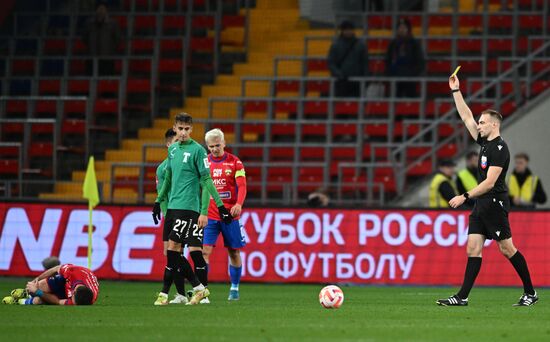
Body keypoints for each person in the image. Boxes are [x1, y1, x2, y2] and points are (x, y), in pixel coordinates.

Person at [437, 74, 538, 306]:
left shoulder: (500, 148)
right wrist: (456, 91)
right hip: (482, 204)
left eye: (482, 122)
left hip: (494, 203)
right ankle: (461, 297)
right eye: (479, 122)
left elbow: (490, 182)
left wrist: (464, 196)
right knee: (472, 247)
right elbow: (465, 117)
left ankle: (530, 292)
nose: (478, 125)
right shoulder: (484, 143)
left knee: (506, 248)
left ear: (494, 124)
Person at [152, 113, 233, 306]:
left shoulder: (197, 151)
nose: (183, 133)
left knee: (175, 250)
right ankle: (196, 290)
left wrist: (219, 206)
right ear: (175, 128)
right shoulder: (172, 151)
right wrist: (158, 200)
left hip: (189, 207)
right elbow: (169, 177)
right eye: (180, 129)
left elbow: (206, 180)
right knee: (174, 252)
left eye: (187, 129)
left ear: (192, 130)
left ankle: (172, 293)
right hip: (173, 206)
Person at [202, 129, 247, 301]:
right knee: (204, 252)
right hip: (210, 215)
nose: (214, 149)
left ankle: (234, 288)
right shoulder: (204, 163)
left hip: (230, 215)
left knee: (233, 252)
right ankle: (203, 290)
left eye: (217, 145)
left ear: (224, 143)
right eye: (211, 146)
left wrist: (238, 204)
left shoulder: (235, 163)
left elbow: (242, 186)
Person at [2, 264, 99, 305]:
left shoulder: (86, 299)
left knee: (38, 300)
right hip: (64, 281)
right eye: (71, 301)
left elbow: (57, 302)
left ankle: (19, 301)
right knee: (39, 285)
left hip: (72, 286)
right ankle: (26, 293)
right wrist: (36, 280)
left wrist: (38, 292)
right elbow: (55, 269)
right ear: (73, 293)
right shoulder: (71, 271)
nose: (71, 303)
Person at [327, 20, 369, 97]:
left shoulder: (361, 45)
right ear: (342, 31)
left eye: (350, 29)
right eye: (346, 29)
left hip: (357, 81)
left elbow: (365, 63)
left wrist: (365, 78)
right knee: (341, 105)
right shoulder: (335, 45)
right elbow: (331, 63)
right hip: (341, 81)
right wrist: (339, 74)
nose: (348, 31)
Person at [385, 18, 425, 97]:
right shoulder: (393, 44)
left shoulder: (414, 43)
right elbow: (388, 59)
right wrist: (390, 72)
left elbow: (419, 60)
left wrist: (413, 73)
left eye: (404, 28)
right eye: (400, 28)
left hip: (410, 77)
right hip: (396, 77)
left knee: (410, 100)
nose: (401, 30)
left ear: (408, 29)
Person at [82, 1, 121, 75]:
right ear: (96, 10)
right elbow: (85, 38)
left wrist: (110, 49)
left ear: (106, 11)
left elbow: (117, 39)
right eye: (99, 9)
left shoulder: (113, 24)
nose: (101, 11)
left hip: (107, 58)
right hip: (92, 57)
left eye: (103, 9)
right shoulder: (89, 23)